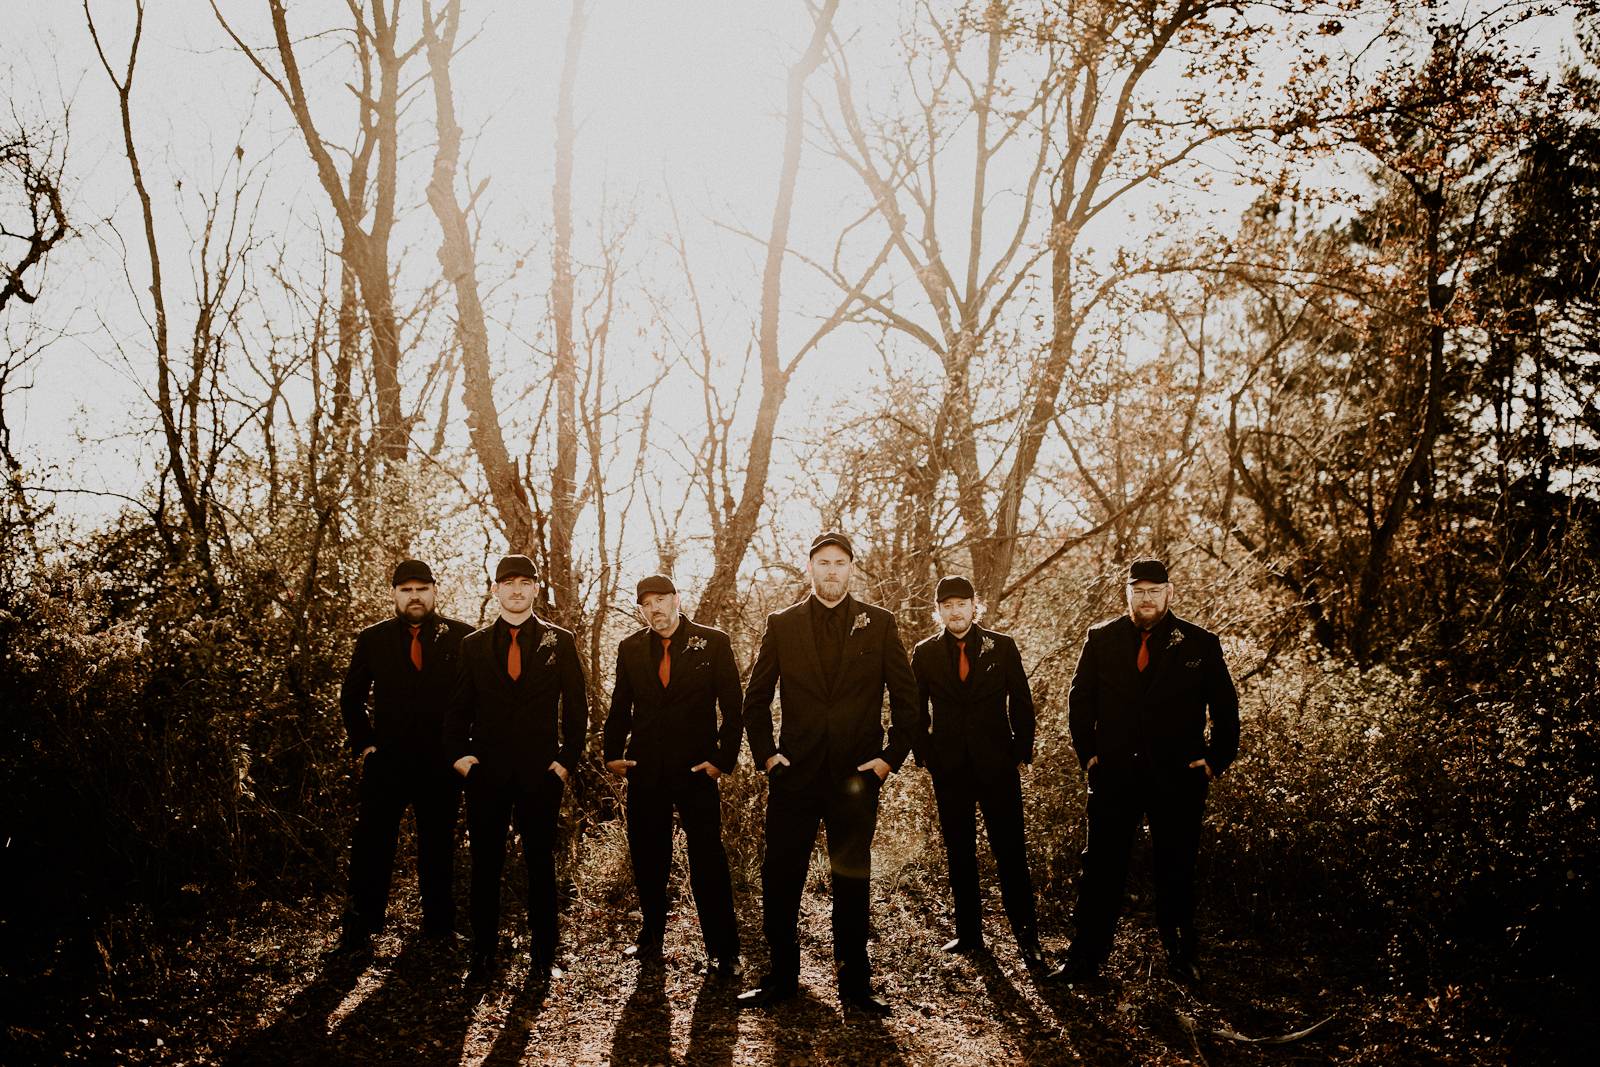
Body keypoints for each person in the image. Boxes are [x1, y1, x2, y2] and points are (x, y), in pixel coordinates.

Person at [738, 532, 919, 1014]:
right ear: (810, 568)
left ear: (851, 568)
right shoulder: (782, 624)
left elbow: (908, 700)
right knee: (781, 878)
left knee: (851, 882)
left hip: (857, 778)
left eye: (840, 562)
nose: (832, 570)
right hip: (793, 776)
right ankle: (781, 978)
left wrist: (888, 759)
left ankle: (855, 988)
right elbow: (755, 700)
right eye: (823, 562)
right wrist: (768, 756)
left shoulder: (879, 623)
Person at [1053, 557, 1240, 985]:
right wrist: (1090, 754)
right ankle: (1084, 959)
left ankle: (1181, 957)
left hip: (1177, 778)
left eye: (1155, 591)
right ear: (1128, 594)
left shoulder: (1199, 643)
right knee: (1100, 867)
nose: (1147, 598)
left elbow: (1225, 708)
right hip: (1115, 775)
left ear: (1169, 593)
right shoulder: (1101, 638)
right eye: (1139, 591)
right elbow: (1079, 701)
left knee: (1176, 866)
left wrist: (1214, 760)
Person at [444, 554, 588, 981]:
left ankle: (545, 957)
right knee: (485, 864)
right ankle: (482, 956)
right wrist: (461, 760)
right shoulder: (473, 645)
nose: (517, 589)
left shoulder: (558, 641)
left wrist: (565, 762)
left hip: (540, 774)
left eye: (525, 582)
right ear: (495, 590)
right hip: (486, 774)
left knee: (541, 863)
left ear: (535, 589)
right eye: (508, 582)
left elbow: (577, 707)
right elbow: (456, 709)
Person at [603, 575, 744, 979]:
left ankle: (724, 949)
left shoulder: (712, 642)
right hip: (645, 769)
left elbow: (733, 708)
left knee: (708, 859)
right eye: (646, 604)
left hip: (696, 769)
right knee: (649, 857)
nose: (655, 610)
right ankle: (651, 938)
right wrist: (613, 753)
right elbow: (621, 704)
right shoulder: (630, 647)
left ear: (677, 599)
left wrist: (721, 759)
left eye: (662, 600)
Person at [336, 559, 474, 953]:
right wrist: (366, 744)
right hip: (388, 761)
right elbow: (352, 696)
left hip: (441, 762)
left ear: (434, 591)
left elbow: (474, 700)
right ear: (394, 595)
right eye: (406, 590)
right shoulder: (373, 638)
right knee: (373, 842)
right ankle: (361, 925)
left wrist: (463, 750)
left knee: (438, 845)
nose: (414, 596)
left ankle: (439, 928)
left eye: (421, 589)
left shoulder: (462, 638)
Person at [910, 575, 1043, 969]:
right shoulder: (925, 653)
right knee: (959, 850)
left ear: (974, 606)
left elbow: (1021, 700)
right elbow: (914, 708)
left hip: (997, 764)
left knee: (1010, 851)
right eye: (947, 605)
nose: (955, 611)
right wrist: (926, 755)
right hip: (949, 768)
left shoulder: (1001, 647)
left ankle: (1027, 937)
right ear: (939, 611)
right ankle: (969, 934)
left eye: (961, 603)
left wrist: (1019, 750)